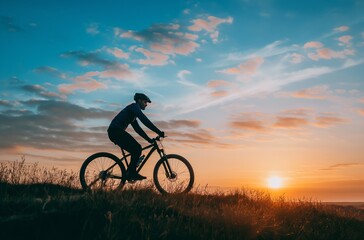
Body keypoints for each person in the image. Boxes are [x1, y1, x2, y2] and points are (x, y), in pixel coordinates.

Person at [107, 93, 164, 181]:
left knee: (136, 150)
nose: (146, 104)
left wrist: (149, 139)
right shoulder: (134, 107)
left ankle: (130, 172)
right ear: (139, 100)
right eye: (145, 102)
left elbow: (138, 129)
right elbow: (145, 120)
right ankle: (131, 173)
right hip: (115, 131)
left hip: (115, 132)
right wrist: (158, 132)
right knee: (137, 149)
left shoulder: (133, 114)